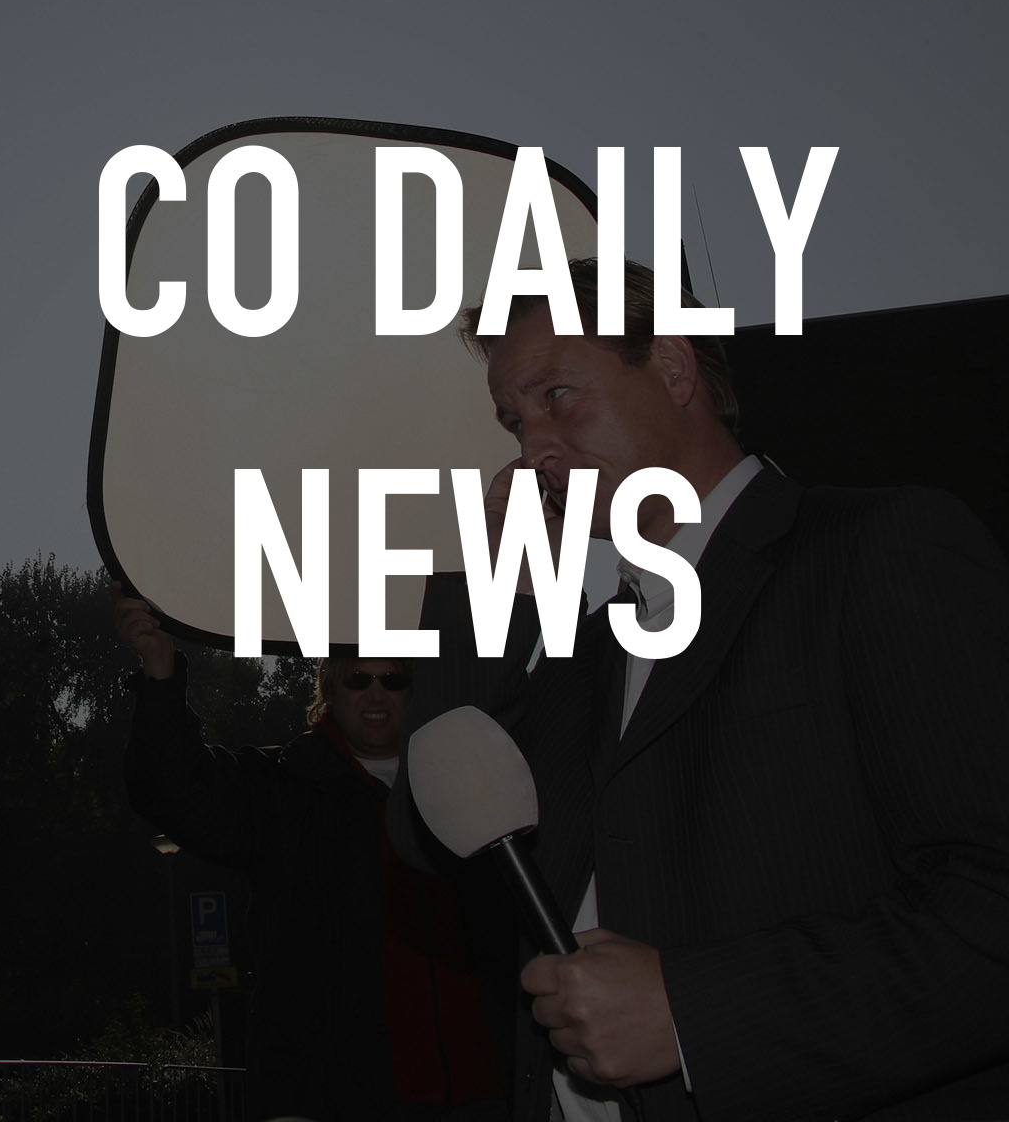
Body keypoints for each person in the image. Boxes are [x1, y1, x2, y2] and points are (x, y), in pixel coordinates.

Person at [389, 258, 1009, 1122]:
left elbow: (988, 907)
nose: (531, 450)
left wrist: (692, 1015)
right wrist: (495, 592)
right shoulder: (590, 649)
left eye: (557, 396)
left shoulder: (877, 548)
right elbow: (432, 836)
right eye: (514, 421)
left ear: (674, 368)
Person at [118, 589, 512, 1122]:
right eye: (358, 679)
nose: (376, 694)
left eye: (394, 679)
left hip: (485, 1091)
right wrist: (160, 672)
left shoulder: (474, 786)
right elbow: (172, 790)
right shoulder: (284, 789)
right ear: (329, 688)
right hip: (336, 1098)